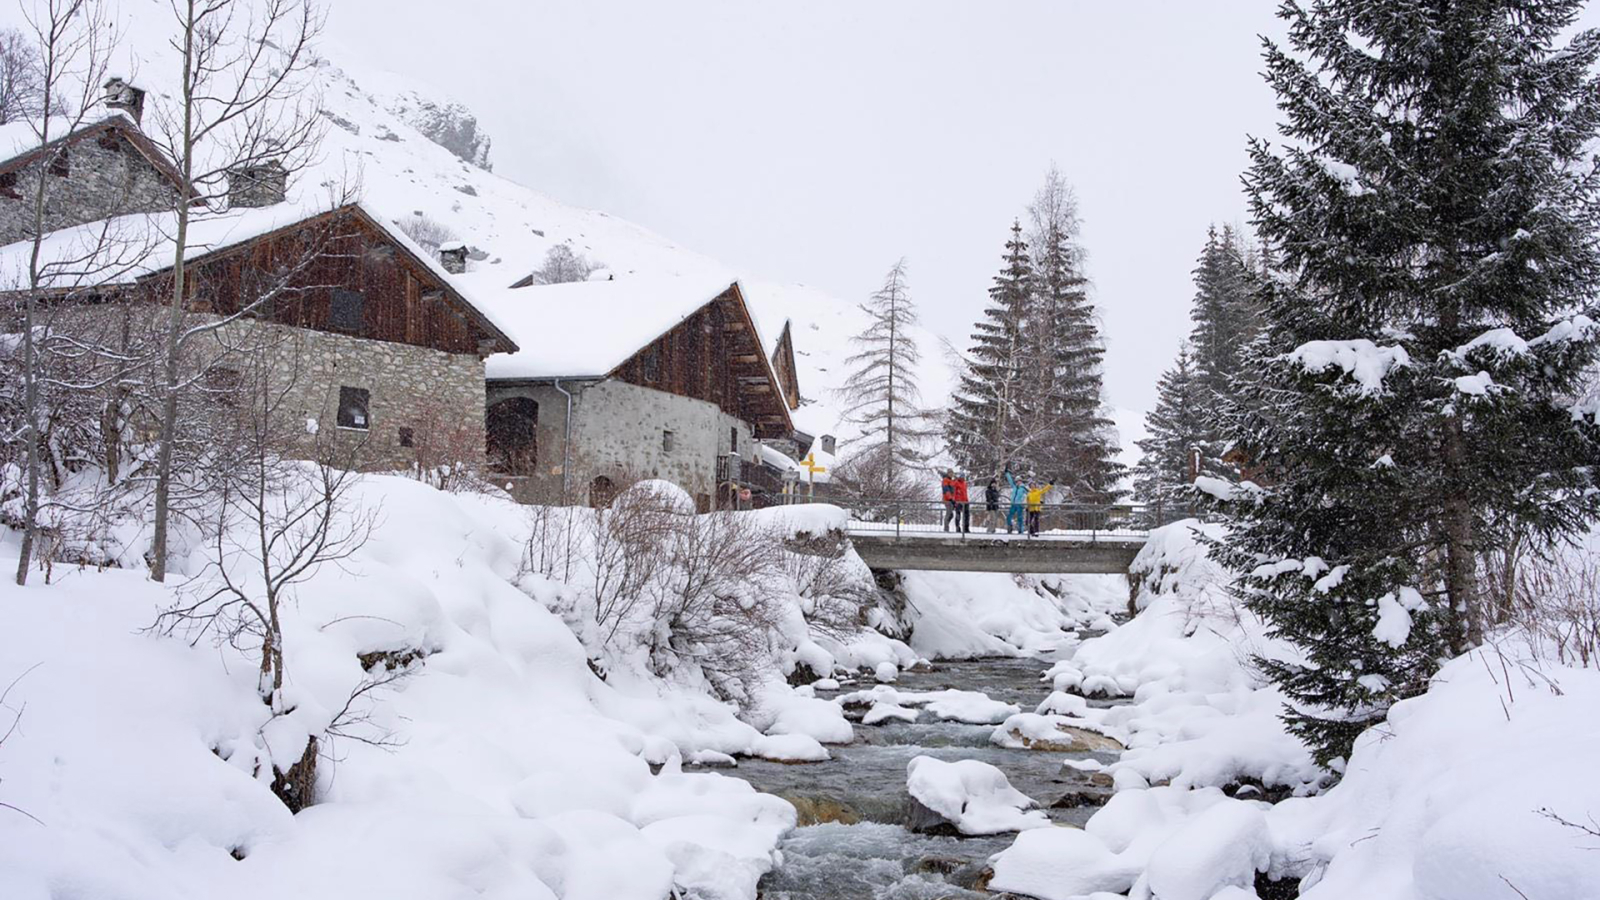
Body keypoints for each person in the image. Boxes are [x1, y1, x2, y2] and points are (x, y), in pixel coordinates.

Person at [1004, 469, 1027, 534]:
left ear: (1021, 482)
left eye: (1019, 481)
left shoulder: (1023, 488)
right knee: (1009, 517)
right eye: (1017, 481)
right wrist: (1007, 473)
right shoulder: (1014, 487)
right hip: (1013, 504)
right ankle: (1009, 527)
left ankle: (1020, 530)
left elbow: (1030, 494)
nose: (1018, 483)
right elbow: (1010, 480)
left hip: (1019, 504)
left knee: (1020, 518)